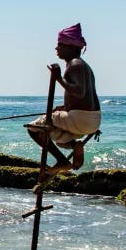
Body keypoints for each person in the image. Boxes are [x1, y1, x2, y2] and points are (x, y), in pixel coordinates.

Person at [25, 23, 101, 172]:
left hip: (80, 119)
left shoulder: (75, 64)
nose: (57, 48)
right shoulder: (84, 66)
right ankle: (75, 145)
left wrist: (58, 78)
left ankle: (62, 162)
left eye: (60, 44)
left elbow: (79, 92)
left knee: (33, 128)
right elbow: (88, 97)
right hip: (92, 120)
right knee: (56, 135)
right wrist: (66, 108)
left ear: (71, 47)